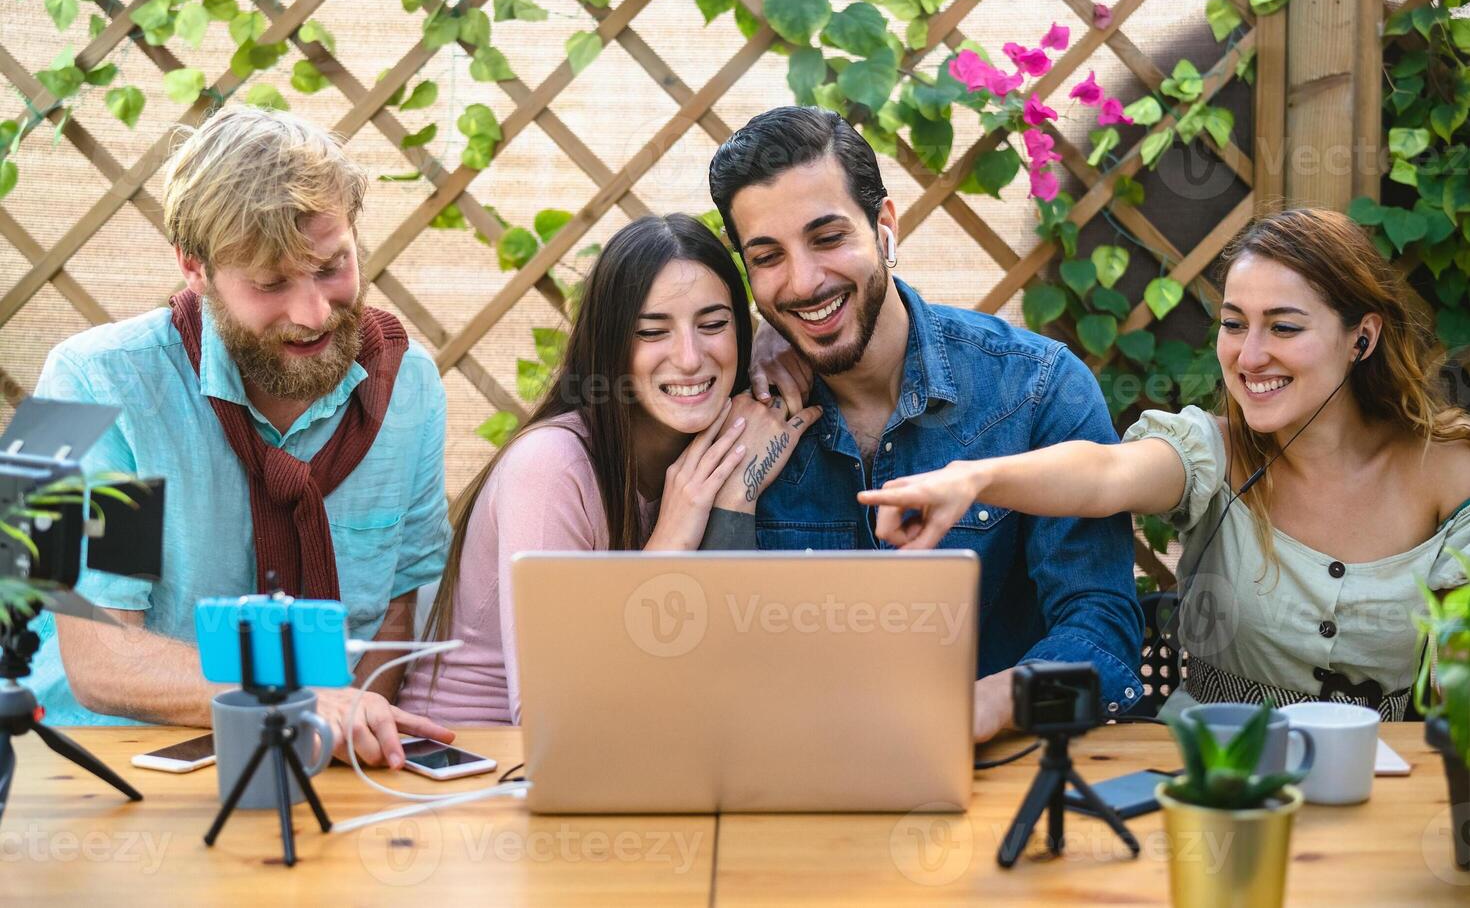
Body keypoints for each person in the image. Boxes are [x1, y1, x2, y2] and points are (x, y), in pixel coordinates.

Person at [859, 207, 1470, 719]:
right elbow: (1105, 474)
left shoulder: (1448, 472)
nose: (1250, 355)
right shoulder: (1212, 449)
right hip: (1203, 777)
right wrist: (977, 478)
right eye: (1234, 325)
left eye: (1283, 327)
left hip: (1386, 781)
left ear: (1362, 338)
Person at [26, 105, 454, 767]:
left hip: (314, 766)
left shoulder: (410, 385)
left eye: (332, 266)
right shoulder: (90, 387)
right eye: (271, 282)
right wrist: (296, 699)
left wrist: (347, 736)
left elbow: (395, 611)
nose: (313, 312)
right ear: (193, 267)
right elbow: (99, 658)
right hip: (95, 767)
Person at [706, 106, 1145, 742]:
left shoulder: (1037, 390)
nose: (803, 282)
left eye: (828, 238)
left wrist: (987, 707)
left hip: (991, 787)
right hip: (781, 787)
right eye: (768, 256)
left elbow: (1106, 652)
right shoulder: (729, 411)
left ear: (884, 225)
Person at [397, 214, 820, 725]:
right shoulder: (551, 467)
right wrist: (670, 541)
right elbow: (556, 713)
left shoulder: (716, 451)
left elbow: (715, 676)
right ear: (611, 344)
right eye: (651, 331)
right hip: (476, 764)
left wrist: (734, 496)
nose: (689, 358)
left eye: (713, 325)